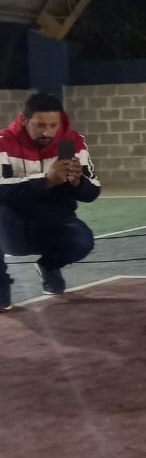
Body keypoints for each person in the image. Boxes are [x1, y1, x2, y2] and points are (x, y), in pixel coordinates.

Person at [0, 91, 100, 310]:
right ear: (24, 119)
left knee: (81, 241)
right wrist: (45, 181)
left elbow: (92, 192)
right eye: (40, 125)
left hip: (54, 222)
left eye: (53, 125)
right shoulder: (3, 143)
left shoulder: (72, 142)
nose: (47, 132)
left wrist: (78, 182)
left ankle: (48, 266)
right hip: (11, 228)